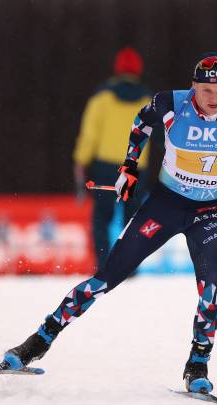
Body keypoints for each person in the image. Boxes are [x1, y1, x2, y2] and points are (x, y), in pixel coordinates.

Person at [4, 52, 217, 394]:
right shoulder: (172, 104)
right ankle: (38, 342)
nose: (214, 99)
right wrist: (129, 167)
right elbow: (141, 122)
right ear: (193, 85)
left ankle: (197, 364)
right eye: (207, 91)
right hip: (165, 205)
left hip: (210, 212)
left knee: (210, 292)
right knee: (104, 279)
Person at [73, 46, 152, 271]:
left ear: (117, 69)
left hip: (106, 166)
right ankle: (129, 268)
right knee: (132, 221)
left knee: (102, 218)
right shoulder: (148, 100)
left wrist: (80, 160)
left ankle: (103, 266)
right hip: (136, 166)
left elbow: (89, 134)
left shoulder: (102, 99)